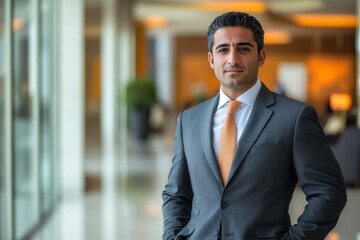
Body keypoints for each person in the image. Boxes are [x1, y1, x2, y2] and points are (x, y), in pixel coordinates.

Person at [162, 11, 347, 240]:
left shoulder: (295, 117)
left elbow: (329, 193)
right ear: (211, 59)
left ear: (261, 56)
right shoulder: (188, 120)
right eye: (223, 50)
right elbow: (176, 193)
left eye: (243, 48)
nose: (232, 59)